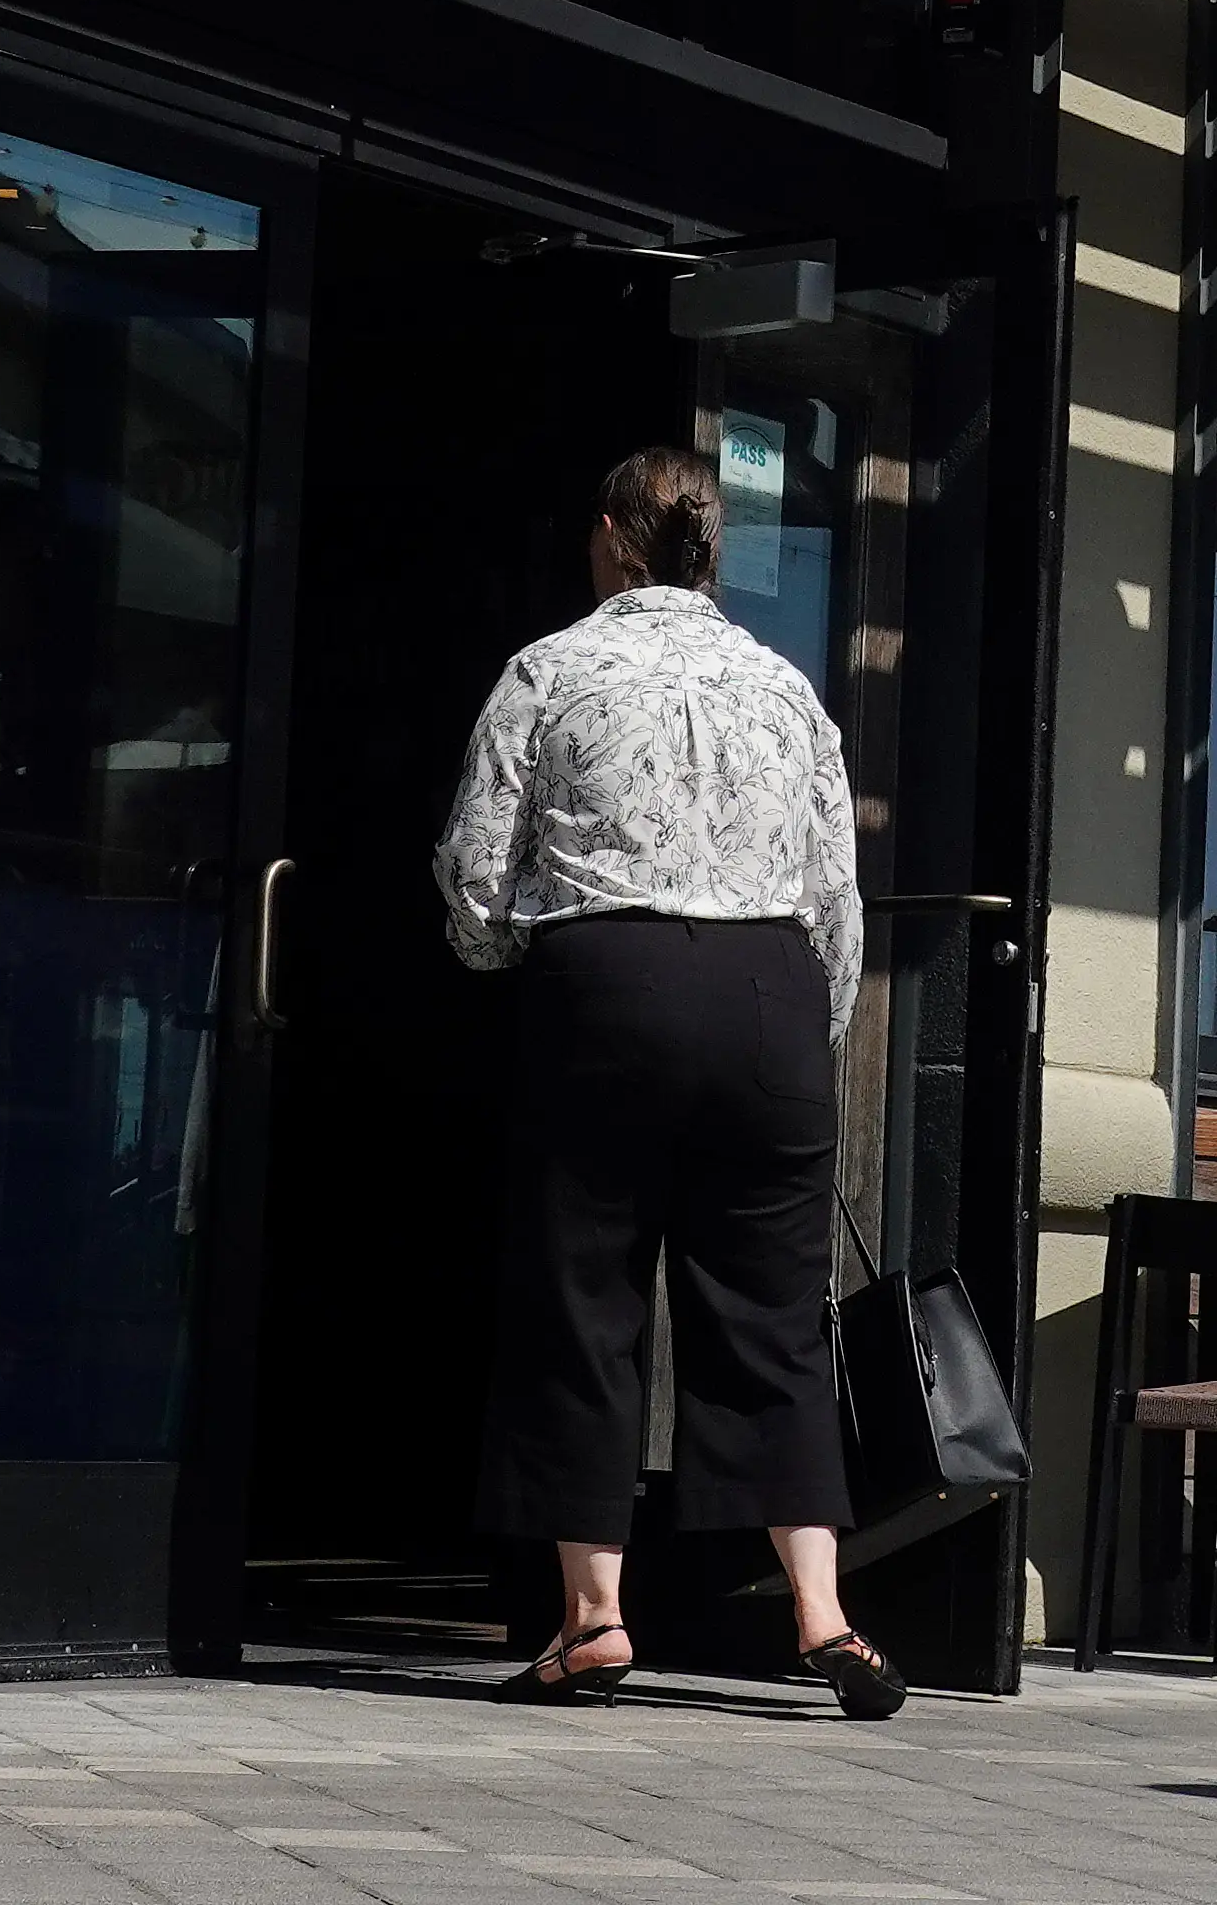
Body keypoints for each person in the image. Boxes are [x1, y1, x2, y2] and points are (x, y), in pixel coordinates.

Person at [435, 446, 899, 1718]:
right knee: (771, 1313)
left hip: (609, 986)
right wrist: (802, 1031)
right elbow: (836, 902)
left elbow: (476, 874)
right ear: (715, 548)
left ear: (608, 539)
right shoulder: (788, 687)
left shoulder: (550, 668)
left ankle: (594, 1618)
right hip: (768, 1003)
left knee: (583, 1302)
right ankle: (823, 1612)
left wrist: (514, 955)